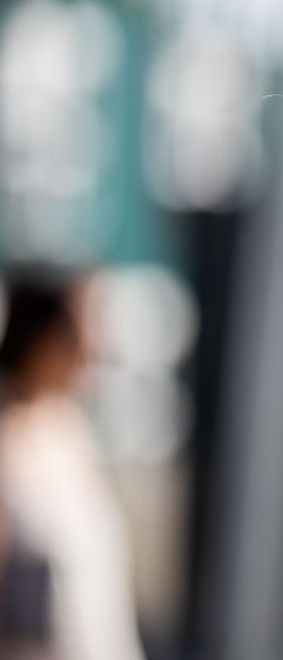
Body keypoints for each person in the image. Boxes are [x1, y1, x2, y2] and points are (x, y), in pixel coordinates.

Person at [0, 272, 145, 660]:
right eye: (84, 332)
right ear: (48, 340)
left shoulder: (70, 430)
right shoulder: (8, 442)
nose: (94, 351)